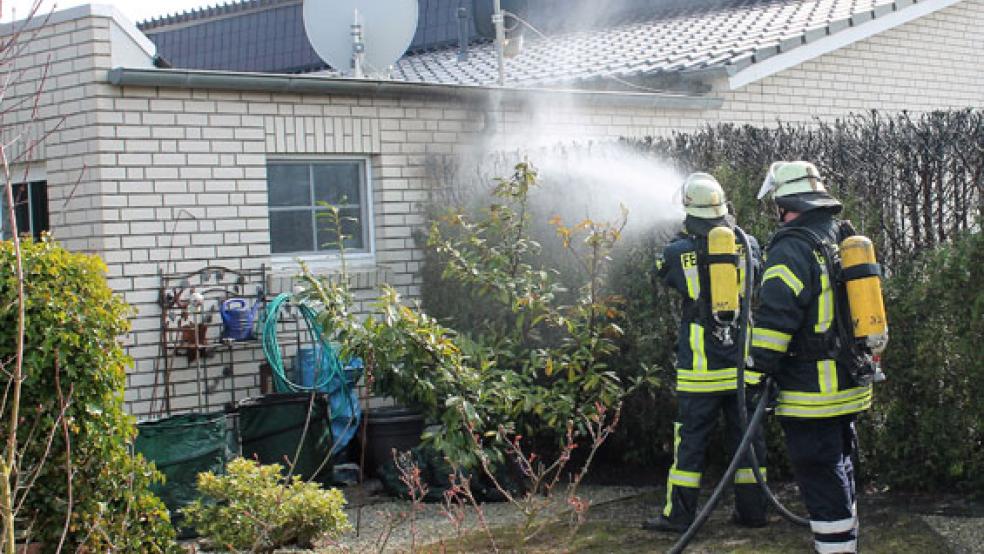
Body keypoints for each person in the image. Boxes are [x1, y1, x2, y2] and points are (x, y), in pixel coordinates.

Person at [750, 161, 873, 554]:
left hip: (812, 392)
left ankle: (836, 550)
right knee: (840, 468)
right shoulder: (838, 235)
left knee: (821, 479)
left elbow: (775, 321)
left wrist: (754, 372)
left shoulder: (791, 247)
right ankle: (846, 544)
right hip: (848, 382)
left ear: (785, 204)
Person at [644, 172, 768, 533]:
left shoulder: (677, 251)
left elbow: (664, 273)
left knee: (691, 444)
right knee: (748, 441)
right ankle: (753, 512)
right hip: (742, 366)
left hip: (700, 369)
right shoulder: (749, 244)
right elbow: (758, 276)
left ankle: (679, 516)